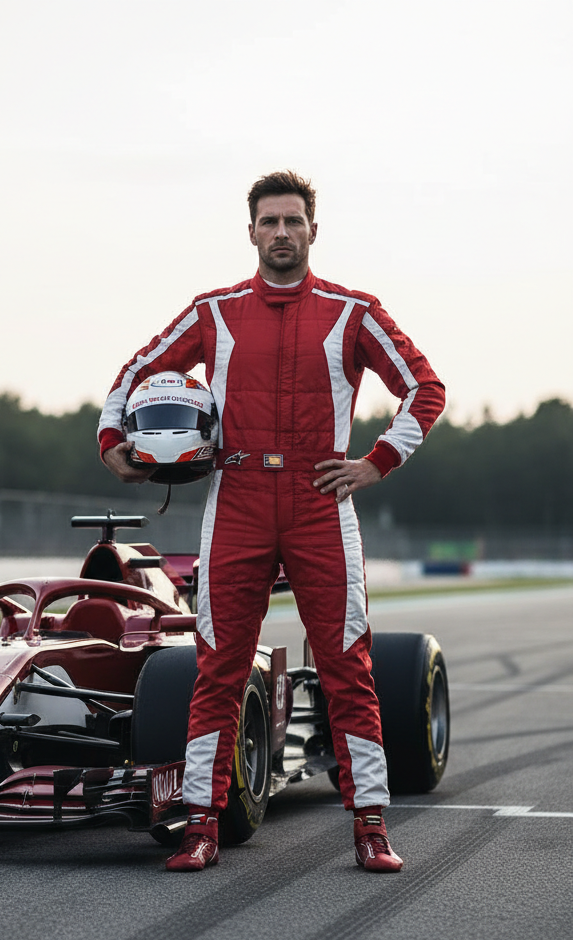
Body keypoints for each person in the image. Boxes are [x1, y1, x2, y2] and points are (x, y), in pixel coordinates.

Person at [98, 170, 445, 873]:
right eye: (269, 222)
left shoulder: (354, 311)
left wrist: (376, 463)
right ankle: (201, 824)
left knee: (348, 664)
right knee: (218, 667)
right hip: (237, 501)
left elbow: (425, 390)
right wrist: (114, 446)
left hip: (323, 500)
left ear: (314, 230)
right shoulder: (214, 311)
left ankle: (371, 825)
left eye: (293, 221)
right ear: (250, 231)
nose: (281, 233)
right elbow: (134, 372)